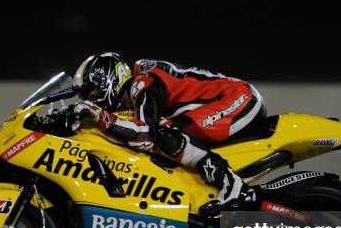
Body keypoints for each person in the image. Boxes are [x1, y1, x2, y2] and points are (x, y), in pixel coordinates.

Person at [73, 52, 267, 216]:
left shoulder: (142, 84)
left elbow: (143, 137)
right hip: (235, 97)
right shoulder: (141, 86)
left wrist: (101, 117)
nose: (95, 102)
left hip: (240, 99)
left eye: (93, 95)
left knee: (165, 133)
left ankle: (233, 187)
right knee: (164, 129)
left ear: (108, 80)